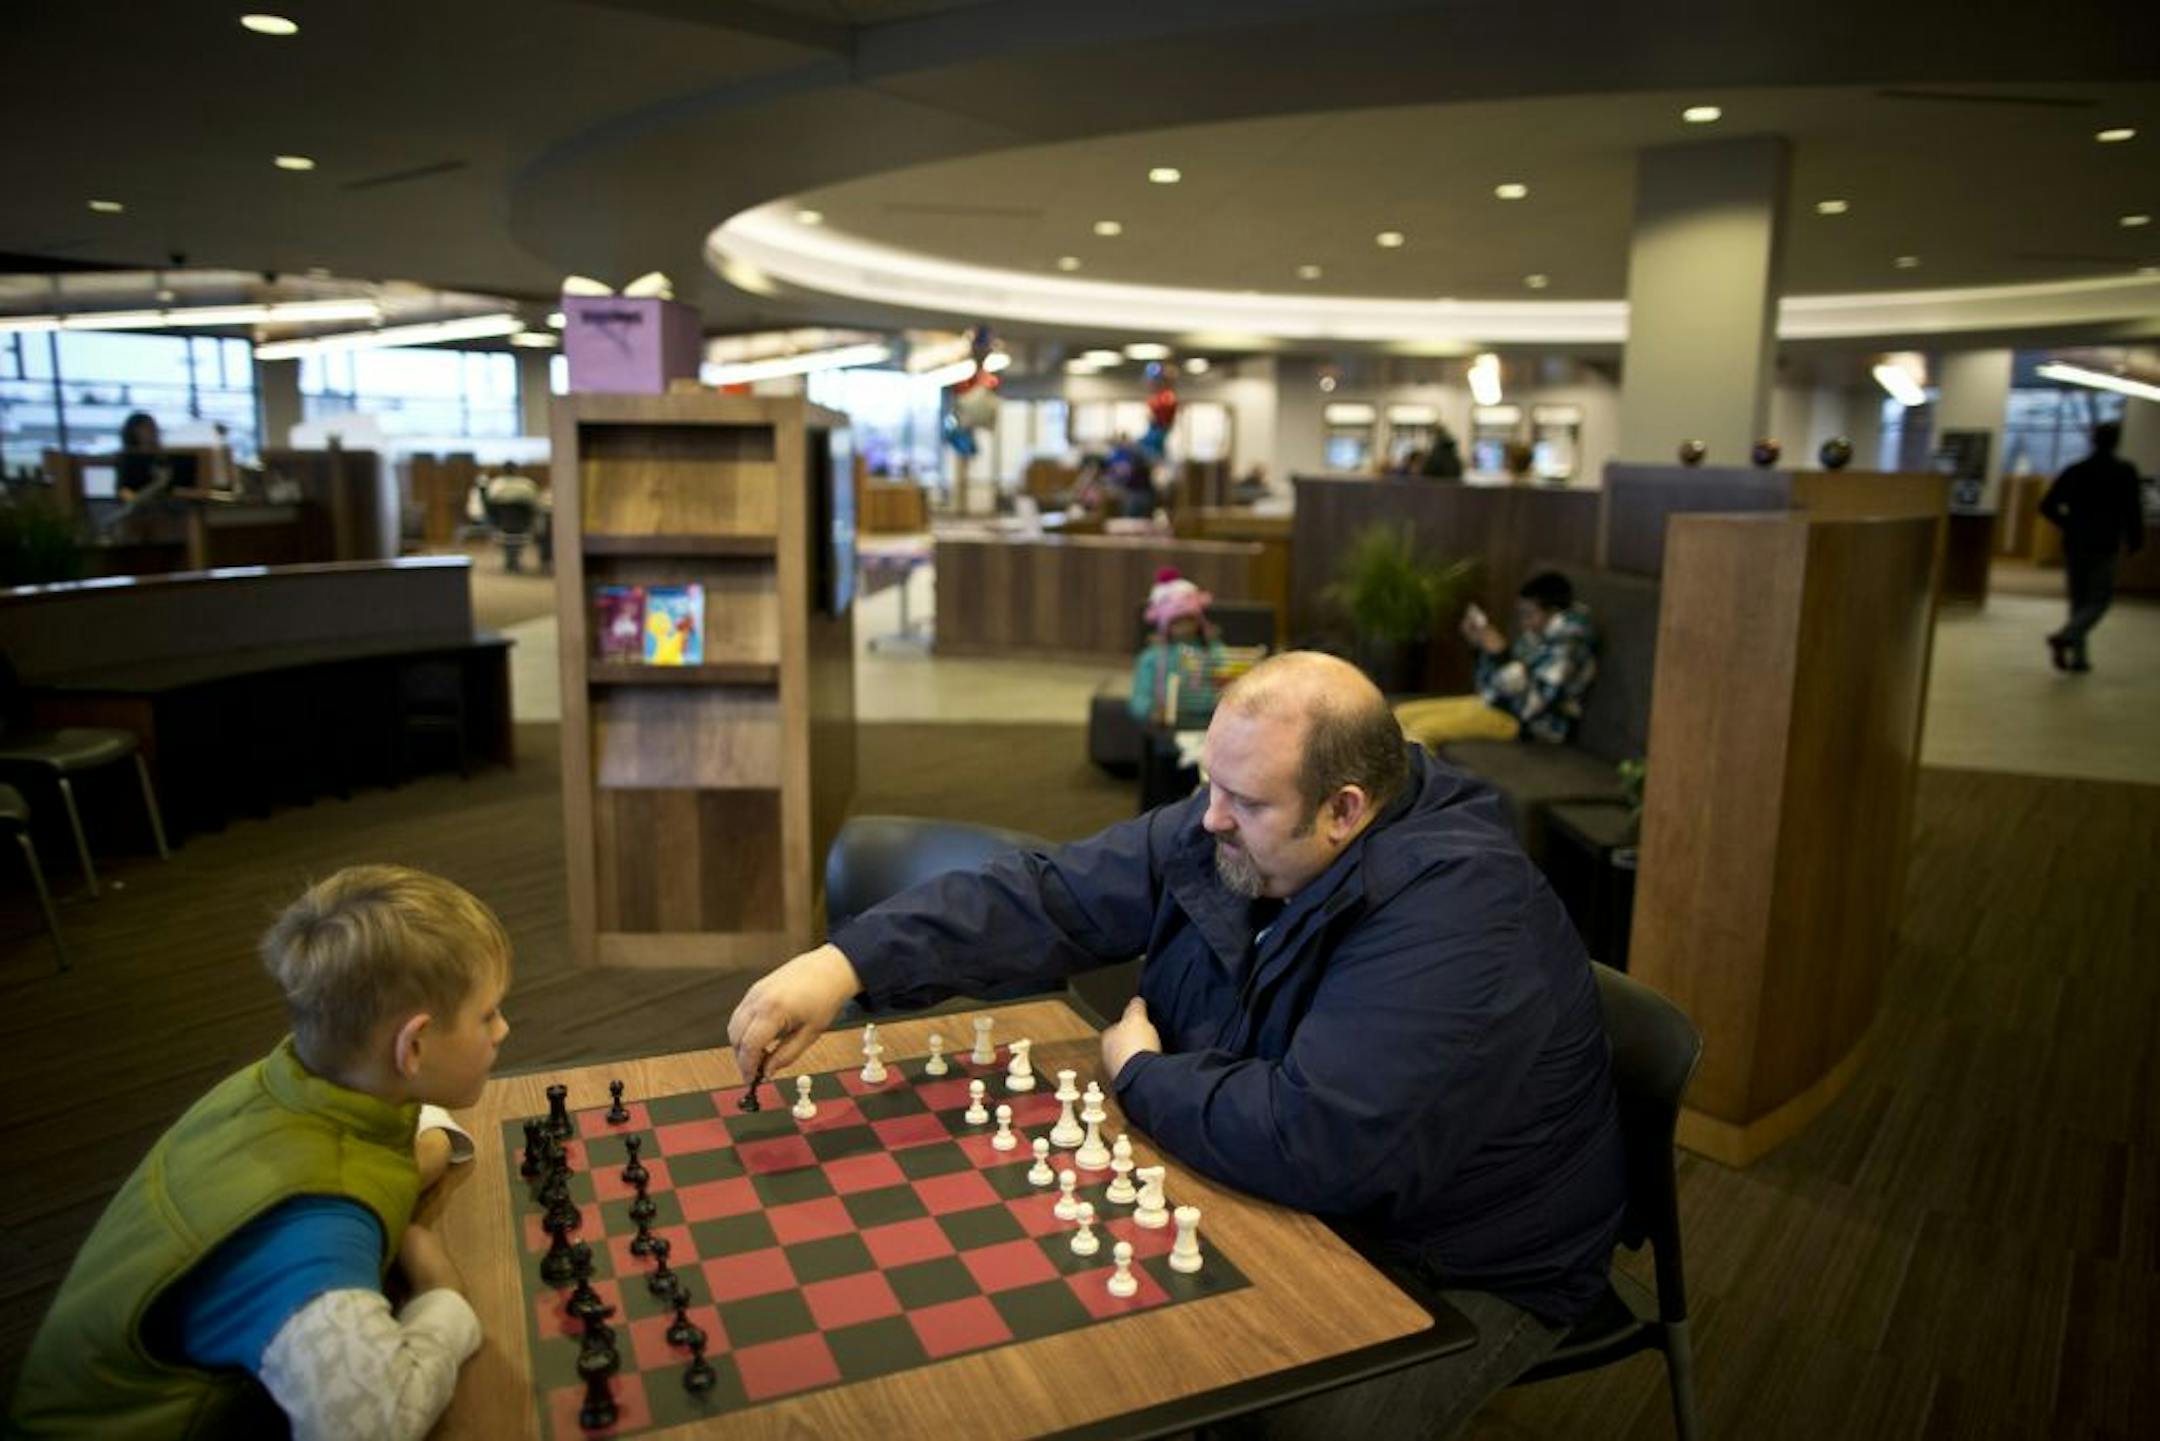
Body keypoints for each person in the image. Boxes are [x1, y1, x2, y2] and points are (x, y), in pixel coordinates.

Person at [728, 652, 1626, 1439]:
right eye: (1210, 785)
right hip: (1296, 1185)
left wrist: (1139, 1073)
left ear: (1345, 809)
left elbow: (1317, 1140)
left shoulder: (1460, 910)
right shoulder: (1241, 820)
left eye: (1243, 800)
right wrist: (846, 962)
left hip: (1467, 1256)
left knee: (1283, 1415)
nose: (1209, 821)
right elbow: (1050, 896)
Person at [9, 866, 511, 1441]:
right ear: (414, 1044)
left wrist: (426, 1154)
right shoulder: (311, 1238)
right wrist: (441, 1295)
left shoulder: (286, 1081)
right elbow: (372, 1426)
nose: (501, 1030)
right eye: (488, 1013)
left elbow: (382, 1129)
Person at [1394, 570, 1598, 749]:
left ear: (1553, 612)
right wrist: (1481, 646)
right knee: (1400, 715)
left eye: (1529, 615)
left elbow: (1531, 707)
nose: (1524, 623)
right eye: (1522, 615)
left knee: (1422, 732)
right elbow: (1489, 685)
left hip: (1527, 724)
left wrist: (1501, 655)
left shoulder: (1570, 645)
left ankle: (1427, 792)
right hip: (1495, 703)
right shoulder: (1536, 635)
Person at [2039, 420, 2146, 672]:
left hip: (2076, 542)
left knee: (2079, 600)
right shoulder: (2125, 471)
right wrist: (2135, 539)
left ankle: (2079, 657)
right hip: (2105, 542)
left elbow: (2047, 505)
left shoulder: (2077, 470)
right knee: (2099, 599)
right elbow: (2133, 510)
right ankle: (2067, 636)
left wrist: (2068, 524)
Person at [1128, 570, 1230, 727]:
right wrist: (1151, 711)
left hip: (1212, 725)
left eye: (1189, 619)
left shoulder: (1217, 652)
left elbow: (1233, 688)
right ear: (1165, 625)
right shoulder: (1151, 658)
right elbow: (1139, 700)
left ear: (1199, 621)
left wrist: (1227, 685)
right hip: (1168, 728)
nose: (1184, 627)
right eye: (1177, 622)